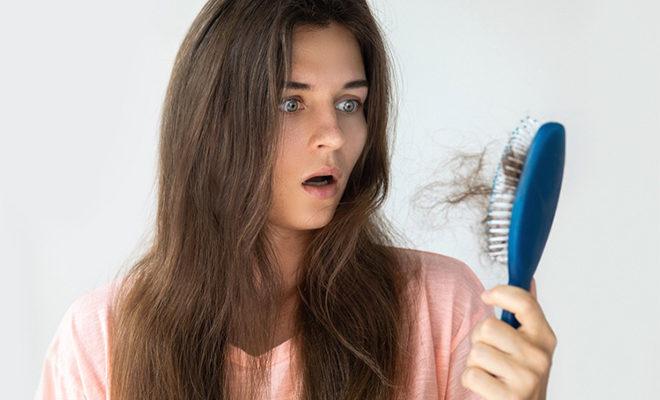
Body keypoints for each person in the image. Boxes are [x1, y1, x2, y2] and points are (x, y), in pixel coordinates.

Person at [34, 1, 556, 399]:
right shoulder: (102, 338)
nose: (333, 134)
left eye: (350, 102)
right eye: (291, 102)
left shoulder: (439, 308)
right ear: (211, 125)